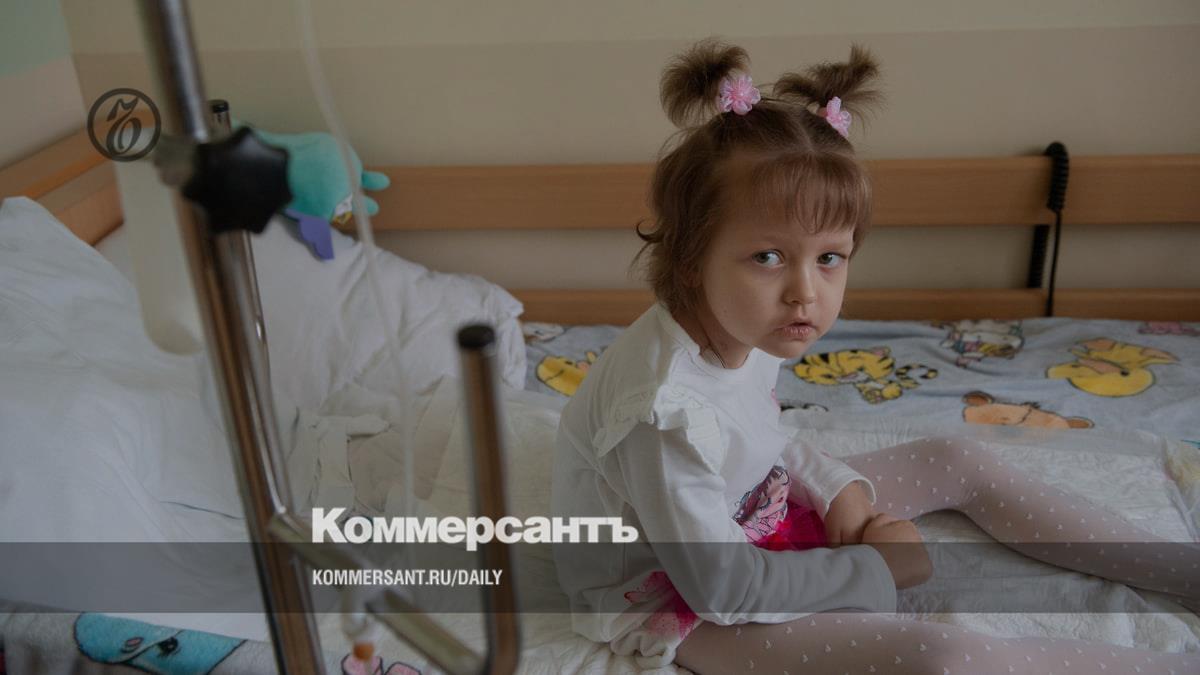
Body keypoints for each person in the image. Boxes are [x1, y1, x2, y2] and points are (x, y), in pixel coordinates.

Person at [550, 38, 1199, 673]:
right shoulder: (663, 413)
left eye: (830, 257)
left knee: (956, 456)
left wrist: (836, 488)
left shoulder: (749, 321)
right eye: (768, 256)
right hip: (679, 597)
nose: (806, 292)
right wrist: (875, 567)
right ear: (691, 259)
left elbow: (759, 437)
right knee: (944, 657)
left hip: (746, 514)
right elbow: (723, 589)